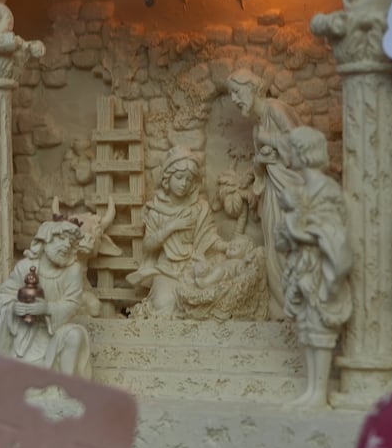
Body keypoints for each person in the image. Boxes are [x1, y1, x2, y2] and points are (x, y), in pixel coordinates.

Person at [275, 126, 352, 407]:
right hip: (302, 266)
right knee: (306, 326)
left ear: (304, 153)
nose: (288, 156)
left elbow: (332, 231)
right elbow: (288, 234)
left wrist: (296, 231)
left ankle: (319, 393)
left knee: (320, 326)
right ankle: (310, 390)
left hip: (320, 266)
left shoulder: (326, 190)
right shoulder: (301, 191)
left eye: (292, 150)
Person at [226, 69, 300, 317]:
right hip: (271, 193)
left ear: (251, 87)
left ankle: (297, 304)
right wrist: (260, 161)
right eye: (232, 95)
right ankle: (281, 306)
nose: (235, 100)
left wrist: (271, 144)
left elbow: (299, 144)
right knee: (274, 248)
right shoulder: (256, 129)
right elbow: (261, 165)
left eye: (237, 92)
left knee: (291, 243)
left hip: (291, 188)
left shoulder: (275, 109)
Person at [0, 218, 96, 377]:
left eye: (71, 241)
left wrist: (47, 308)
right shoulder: (25, 266)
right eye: (61, 238)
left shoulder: (73, 271)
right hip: (26, 336)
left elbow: (72, 303)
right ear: (45, 239)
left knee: (75, 335)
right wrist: (14, 307)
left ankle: (67, 387)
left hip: (54, 333)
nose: (67, 245)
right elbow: (4, 296)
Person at [127, 147, 221, 317]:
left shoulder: (200, 208)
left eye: (189, 179)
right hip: (167, 269)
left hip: (194, 268)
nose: (184, 184)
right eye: (179, 178)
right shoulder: (156, 210)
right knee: (165, 303)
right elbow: (148, 246)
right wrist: (172, 226)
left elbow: (210, 237)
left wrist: (227, 247)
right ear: (167, 178)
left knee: (209, 298)